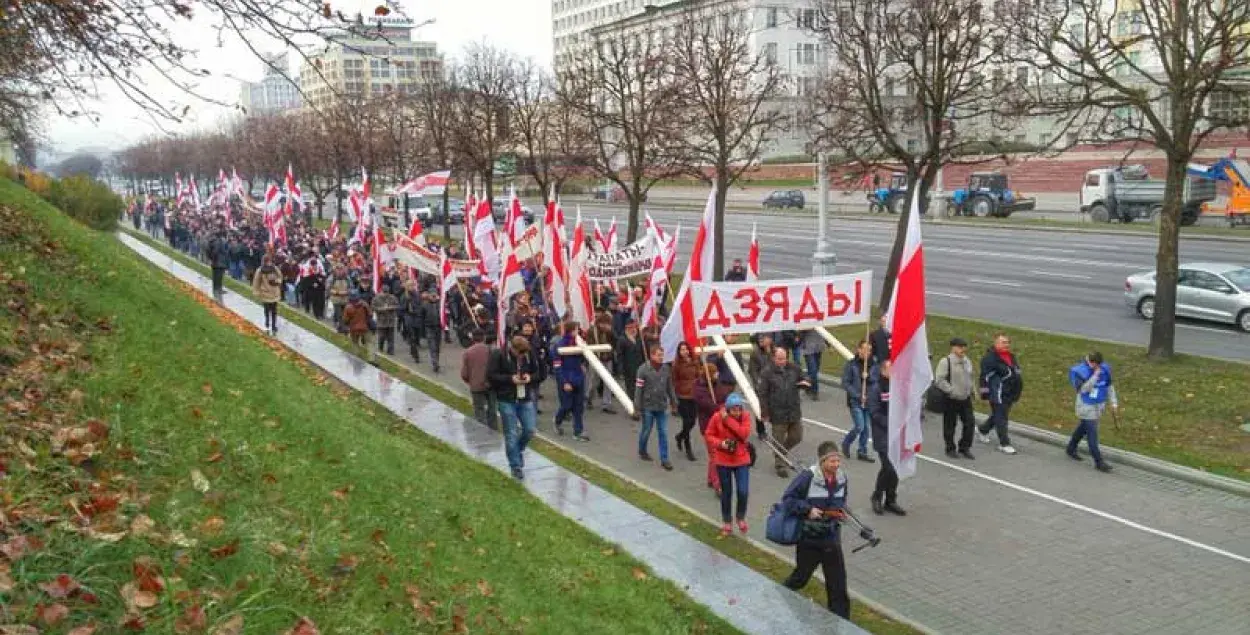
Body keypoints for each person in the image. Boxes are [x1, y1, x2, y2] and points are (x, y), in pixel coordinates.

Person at [779, 440, 852, 620]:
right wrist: (807, 510)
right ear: (822, 461)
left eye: (838, 461)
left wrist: (840, 512)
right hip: (809, 539)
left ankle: (841, 622)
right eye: (832, 461)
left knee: (838, 583)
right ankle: (779, 596)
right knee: (801, 577)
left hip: (831, 537)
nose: (836, 465)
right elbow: (788, 499)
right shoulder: (807, 477)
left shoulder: (842, 478)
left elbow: (841, 501)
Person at [488, 336, 537, 480]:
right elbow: (491, 375)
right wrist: (510, 379)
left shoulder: (529, 355)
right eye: (519, 353)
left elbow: (538, 372)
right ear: (512, 349)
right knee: (511, 433)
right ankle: (515, 465)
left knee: (529, 429)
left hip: (524, 397)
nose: (522, 356)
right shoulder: (499, 355)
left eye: (524, 354)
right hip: (506, 398)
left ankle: (518, 449)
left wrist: (530, 378)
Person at [705, 393, 753, 536]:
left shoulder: (745, 416)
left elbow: (743, 433)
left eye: (739, 409)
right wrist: (721, 444)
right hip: (723, 459)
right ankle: (727, 521)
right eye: (734, 409)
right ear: (727, 408)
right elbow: (709, 435)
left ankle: (740, 517)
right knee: (726, 492)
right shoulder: (716, 417)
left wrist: (728, 420)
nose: (737, 412)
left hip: (741, 459)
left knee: (743, 491)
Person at [758, 348, 811, 478]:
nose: (783, 361)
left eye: (784, 358)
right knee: (778, 439)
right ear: (773, 358)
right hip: (777, 412)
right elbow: (763, 394)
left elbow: (805, 377)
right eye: (779, 359)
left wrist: (806, 382)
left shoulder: (794, 368)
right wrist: (764, 412)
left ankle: (782, 452)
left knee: (797, 436)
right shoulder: (767, 373)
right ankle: (780, 465)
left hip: (793, 410)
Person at [1067, 352, 1117, 473]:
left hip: (1098, 405)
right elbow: (1083, 390)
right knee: (1092, 434)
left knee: (1083, 428)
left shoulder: (1104, 369)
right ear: (1091, 362)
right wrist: (1095, 376)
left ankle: (1071, 448)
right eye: (1095, 365)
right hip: (1086, 406)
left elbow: (1109, 386)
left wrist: (1114, 402)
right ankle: (1099, 462)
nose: (1097, 367)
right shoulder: (1079, 372)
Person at [868, 361, 906, 516]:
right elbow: (874, 412)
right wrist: (891, 423)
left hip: (897, 435)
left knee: (895, 467)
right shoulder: (876, 388)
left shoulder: (898, 387)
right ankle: (877, 496)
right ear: (883, 371)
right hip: (883, 434)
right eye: (891, 369)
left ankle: (891, 500)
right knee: (888, 466)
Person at [978, 332, 1023, 455]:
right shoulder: (989, 359)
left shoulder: (1011, 356)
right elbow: (984, 377)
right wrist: (985, 393)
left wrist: (1017, 391)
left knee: (998, 415)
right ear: (996, 343)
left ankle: (983, 429)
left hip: (1010, 393)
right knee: (1002, 418)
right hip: (997, 394)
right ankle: (1004, 443)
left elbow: (1016, 372)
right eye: (1003, 342)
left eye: (1008, 342)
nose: (1006, 345)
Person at [634, 344, 677, 470]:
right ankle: (642, 450)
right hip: (648, 406)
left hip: (661, 406)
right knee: (646, 430)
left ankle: (665, 459)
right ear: (652, 355)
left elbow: (670, 387)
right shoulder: (642, 369)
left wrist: (674, 402)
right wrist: (636, 407)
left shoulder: (666, 369)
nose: (661, 357)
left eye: (662, 355)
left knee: (663, 432)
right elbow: (638, 389)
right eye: (659, 355)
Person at [934, 337, 976, 459]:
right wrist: (952, 391)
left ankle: (964, 447)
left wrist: (973, 390)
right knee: (950, 424)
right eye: (959, 347)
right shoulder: (945, 361)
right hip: (951, 399)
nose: (963, 349)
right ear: (953, 348)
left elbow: (970, 376)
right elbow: (939, 380)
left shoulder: (967, 361)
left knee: (970, 423)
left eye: (964, 347)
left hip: (965, 398)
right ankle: (950, 448)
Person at [694, 363, 732, 494]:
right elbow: (709, 406)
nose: (717, 375)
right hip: (708, 426)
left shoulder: (717, 384)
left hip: (720, 425)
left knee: (714, 454)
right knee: (716, 455)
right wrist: (720, 407)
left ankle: (711, 478)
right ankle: (718, 484)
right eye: (715, 373)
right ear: (709, 375)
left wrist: (723, 405)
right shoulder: (699, 389)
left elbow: (725, 397)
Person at [551, 321, 589, 441]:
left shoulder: (579, 343)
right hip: (566, 378)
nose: (578, 332)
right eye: (576, 330)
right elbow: (557, 367)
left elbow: (583, 358)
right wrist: (564, 382)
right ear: (571, 331)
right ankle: (557, 421)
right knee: (567, 405)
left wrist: (583, 360)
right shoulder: (559, 345)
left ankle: (578, 432)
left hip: (578, 378)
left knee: (579, 407)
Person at [839, 339, 875, 462]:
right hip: (855, 401)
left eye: (869, 350)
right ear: (858, 349)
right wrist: (858, 395)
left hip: (869, 401)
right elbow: (845, 383)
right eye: (864, 349)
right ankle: (846, 443)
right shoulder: (851, 364)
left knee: (866, 428)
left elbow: (876, 381)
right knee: (860, 426)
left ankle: (862, 451)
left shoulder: (873, 364)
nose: (867, 352)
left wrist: (868, 377)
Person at [460, 329, 497, 430]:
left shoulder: (468, 352)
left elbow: (464, 374)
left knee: (479, 410)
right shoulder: (492, 350)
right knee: (492, 409)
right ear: (484, 337)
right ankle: (493, 431)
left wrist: (471, 381)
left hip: (476, 386)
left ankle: (482, 432)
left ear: (472, 338)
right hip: (491, 384)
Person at [671, 341, 702, 461]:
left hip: (694, 394)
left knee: (693, 421)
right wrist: (674, 397)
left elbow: (698, 375)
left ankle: (680, 436)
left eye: (686, 349)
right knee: (686, 421)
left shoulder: (695, 362)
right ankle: (688, 447)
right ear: (679, 352)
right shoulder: (676, 365)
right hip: (682, 396)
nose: (685, 352)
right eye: (682, 350)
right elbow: (674, 380)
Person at [251, 254, 284, 335]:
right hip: (265, 292)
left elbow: (280, 276)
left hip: (274, 292)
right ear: (264, 262)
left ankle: (274, 325)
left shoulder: (274, 268)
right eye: (267, 261)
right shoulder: (260, 270)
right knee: (266, 309)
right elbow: (256, 281)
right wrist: (256, 291)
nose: (269, 263)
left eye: (270, 261)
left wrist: (277, 281)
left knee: (274, 310)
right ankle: (267, 323)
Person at [799, 329, 827, 400]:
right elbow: (799, 331)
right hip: (808, 348)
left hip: (818, 346)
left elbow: (824, 331)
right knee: (813, 370)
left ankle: (807, 385)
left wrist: (828, 344)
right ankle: (815, 392)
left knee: (814, 370)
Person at [372, 284, 400, 356]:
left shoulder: (393, 298)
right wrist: (381, 309)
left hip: (390, 320)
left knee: (391, 337)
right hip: (381, 321)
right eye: (384, 292)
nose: (385, 294)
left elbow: (397, 306)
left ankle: (390, 350)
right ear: (381, 291)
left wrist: (390, 307)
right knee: (381, 337)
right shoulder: (376, 298)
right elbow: (373, 307)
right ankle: (380, 348)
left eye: (387, 292)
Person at [206, 228, 229, 295]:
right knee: (219, 277)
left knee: (215, 276)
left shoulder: (211, 240)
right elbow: (216, 251)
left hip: (214, 261)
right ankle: (219, 289)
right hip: (219, 261)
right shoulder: (218, 241)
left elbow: (208, 250)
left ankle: (215, 288)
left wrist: (211, 259)